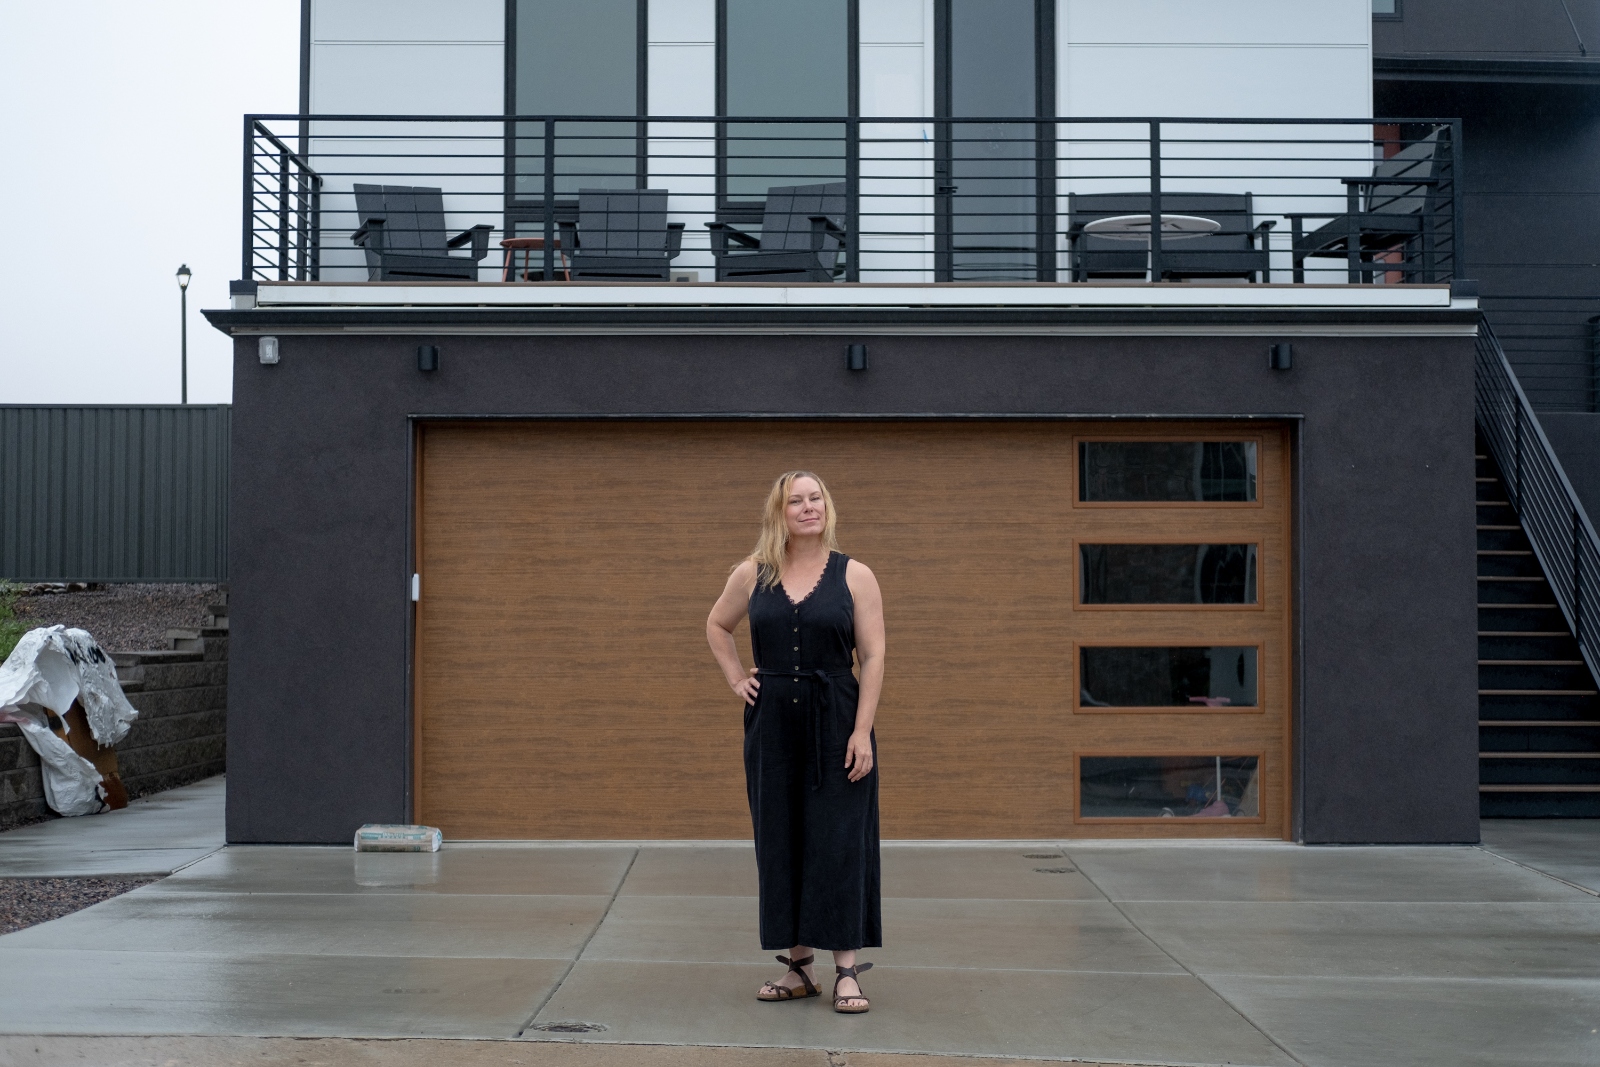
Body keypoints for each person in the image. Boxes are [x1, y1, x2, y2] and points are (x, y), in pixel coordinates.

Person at [706, 470, 886, 1014]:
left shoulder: (855, 574)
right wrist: (738, 678)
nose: (809, 508)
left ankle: (847, 971)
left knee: (838, 839)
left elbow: (873, 655)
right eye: (796, 501)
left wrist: (861, 730)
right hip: (773, 725)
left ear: (827, 508)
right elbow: (717, 625)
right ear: (778, 513)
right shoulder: (752, 573)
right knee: (781, 838)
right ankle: (799, 968)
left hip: (837, 717)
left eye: (816, 499)